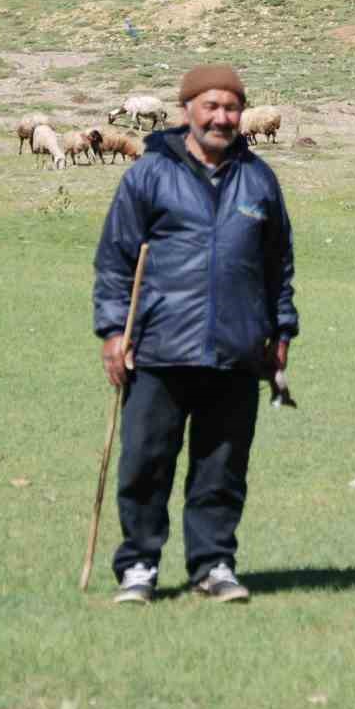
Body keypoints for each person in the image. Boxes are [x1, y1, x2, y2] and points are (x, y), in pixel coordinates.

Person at [92, 64, 298, 605]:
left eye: (231, 107)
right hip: (158, 347)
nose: (222, 117)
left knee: (222, 469)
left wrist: (281, 333)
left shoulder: (259, 179)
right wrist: (114, 332)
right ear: (187, 110)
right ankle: (138, 564)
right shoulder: (148, 175)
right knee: (146, 462)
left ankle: (213, 565)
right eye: (211, 106)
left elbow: (279, 265)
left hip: (237, 350)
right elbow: (115, 260)